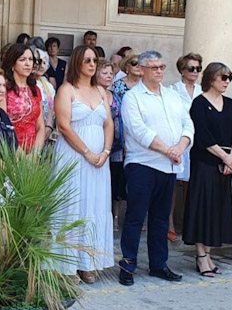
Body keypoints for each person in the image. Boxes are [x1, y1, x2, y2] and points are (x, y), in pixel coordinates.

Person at [117, 50, 191, 285]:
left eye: (161, 67)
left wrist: (180, 146)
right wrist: (169, 150)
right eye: (154, 67)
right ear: (141, 69)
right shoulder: (133, 97)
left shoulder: (171, 95)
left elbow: (187, 123)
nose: (159, 71)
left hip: (168, 166)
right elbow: (138, 130)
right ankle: (128, 265)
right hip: (143, 165)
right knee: (135, 217)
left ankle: (158, 265)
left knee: (160, 219)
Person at [53, 45, 115, 284]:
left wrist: (105, 151)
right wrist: (87, 152)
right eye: (87, 60)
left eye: (95, 61)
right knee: (72, 207)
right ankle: (67, 265)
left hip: (99, 160)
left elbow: (108, 123)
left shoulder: (100, 91)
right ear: (77, 62)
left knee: (94, 206)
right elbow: (64, 126)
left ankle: (88, 262)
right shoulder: (66, 90)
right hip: (73, 156)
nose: (92, 64)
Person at [183, 63, 232, 277]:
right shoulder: (199, 103)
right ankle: (201, 256)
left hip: (225, 164)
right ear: (210, 78)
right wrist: (224, 157)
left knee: (217, 209)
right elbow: (202, 136)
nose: (227, 81)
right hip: (205, 162)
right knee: (203, 208)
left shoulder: (230, 103)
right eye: (223, 77)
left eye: (229, 77)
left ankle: (208, 254)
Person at [168, 52, 203, 243]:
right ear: (182, 70)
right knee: (173, 184)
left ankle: (189, 223)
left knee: (192, 184)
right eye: (191, 68)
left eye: (198, 68)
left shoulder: (201, 90)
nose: (195, 71)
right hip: (179, 139)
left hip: (197, 140)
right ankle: (169, 223)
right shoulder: (172, 90)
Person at [109, 54, 141, 221]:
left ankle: (135, 216)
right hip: (120, 136)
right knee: (118, 177)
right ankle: (115, 216)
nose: (138, 66)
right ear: (126, 66)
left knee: (137, 179)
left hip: (141, 138)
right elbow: (115, 112)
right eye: (134, 63)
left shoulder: (145, 86)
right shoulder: (118, 86)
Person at [3, 42, 46, 152]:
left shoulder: (35, 89)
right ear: (12, 64)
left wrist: (35, 153)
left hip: (34, 151)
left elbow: (41, 126)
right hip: (10, 150)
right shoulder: (3, 89)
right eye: (22, 60)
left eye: (30, 59)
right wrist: (20, 156)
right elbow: (2, 126)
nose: (28, 64)